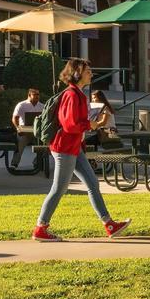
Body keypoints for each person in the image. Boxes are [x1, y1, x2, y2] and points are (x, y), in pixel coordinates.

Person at [32, 58, 131, 242]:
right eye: (87, 71)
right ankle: (40, 228)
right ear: (77, 73)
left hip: (73, 147)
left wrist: (89, 123)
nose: (91, 73)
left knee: (93, 184)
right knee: (59, 189)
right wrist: (90, 124)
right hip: (64, 148)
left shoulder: (78, 94)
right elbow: (70, 125)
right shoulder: (71, 95)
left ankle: (109, 225)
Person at [11, 88, 44, 168]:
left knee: (44, 146)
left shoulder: (42, 106)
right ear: (29, 95)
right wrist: (18, 128)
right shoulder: (21, 105)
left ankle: (37, 162)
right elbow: (14, 118)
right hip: (24, 131)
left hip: (37, 131)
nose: (37, 96)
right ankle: (14, 163)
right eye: (35, 94)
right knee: (20, 144)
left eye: (38, 94)